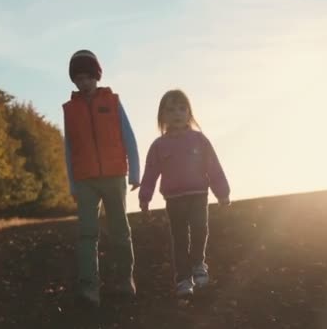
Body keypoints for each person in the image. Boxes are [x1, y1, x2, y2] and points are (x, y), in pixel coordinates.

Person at [63, 49, 140, 307]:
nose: (83, 83)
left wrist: (136, 172)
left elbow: (128, 137)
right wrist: (72, 182)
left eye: (87, 77)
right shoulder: (70, 109)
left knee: (120, 231)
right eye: (78, 78)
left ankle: (124, 280)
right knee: (87, 235)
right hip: (85, 180)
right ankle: (89, 288)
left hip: (115, 175)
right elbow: (69, 149)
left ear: (96, 76)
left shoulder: (113, 102)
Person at [138, 89, 231, 298]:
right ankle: (183, 279)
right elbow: (150, 173)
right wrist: (145, 198)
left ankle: (198, 264)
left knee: (200, 229)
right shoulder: (159, 146)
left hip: (199, 195)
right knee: (179, 239)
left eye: (182, 108)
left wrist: (222, 193)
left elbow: (213, 167)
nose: (177, 114)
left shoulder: (200, 140)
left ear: (189, 112)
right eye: (170, 110)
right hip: (174, 200)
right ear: (162, 117)